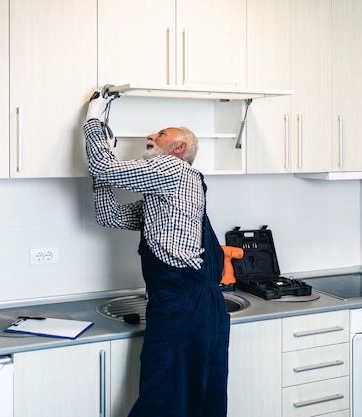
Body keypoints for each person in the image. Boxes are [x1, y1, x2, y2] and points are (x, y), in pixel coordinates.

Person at [84, 86, 230, 417]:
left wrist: (94, 120)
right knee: (198, 394)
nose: (151, 134)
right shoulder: (166, 192)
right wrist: (101, 168)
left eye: (160, 134)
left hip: (182, 303)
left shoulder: (173, 170)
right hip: (196, 307)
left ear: (178, 148)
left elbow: (105, 168)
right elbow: (111, 215)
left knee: (162, 395)